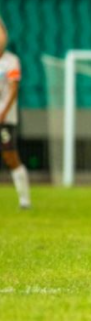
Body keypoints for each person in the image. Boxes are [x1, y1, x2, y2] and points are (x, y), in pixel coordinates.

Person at [0, 40, 30, 210]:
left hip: (5, 119)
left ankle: (24, 200)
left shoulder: (11, 61)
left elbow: (13, 89)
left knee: (10, 156)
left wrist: (3, 112)